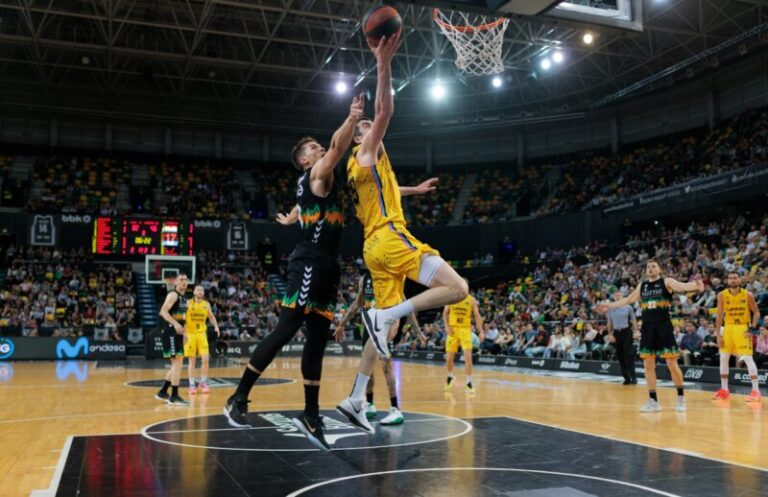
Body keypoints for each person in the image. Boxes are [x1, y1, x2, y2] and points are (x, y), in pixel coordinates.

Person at [336, 31, 469, 433]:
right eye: (362, 127)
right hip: (393, 237)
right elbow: (385, 112)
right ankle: (388, 314)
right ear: (360, 138)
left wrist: (414, 189)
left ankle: (356, 397)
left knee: (383, 332)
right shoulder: (366, 149)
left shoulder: (358, 170)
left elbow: (387, 189)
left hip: (372, 247)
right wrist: (383, 63)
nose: (367, 127)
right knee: (459, 287)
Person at [222, 94, 364, 451]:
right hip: (311, 262)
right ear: (305, 159)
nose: (320, 149)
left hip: (328, 265)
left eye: (318, 147)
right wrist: (351, 118)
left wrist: (294, 215)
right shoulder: (317, 172)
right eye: (313, 148)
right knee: (286, 329)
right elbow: (336, 146)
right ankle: (238, 397)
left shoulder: (310, 185)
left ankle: (311, 413)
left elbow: (306, 204)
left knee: (317, 338)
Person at [596, 260, 704, 413]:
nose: (650, 268)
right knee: (648, 365)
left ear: (659, 269)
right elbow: (628, 300)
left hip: (664, 326)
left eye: (654, 266)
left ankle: (680, 398)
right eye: (648, 267)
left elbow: (682, 286)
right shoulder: (643, 286)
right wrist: (609, 305)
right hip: (647, 327)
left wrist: (695, 286)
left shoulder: (667, 282)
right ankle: (653, 401)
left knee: (672, 364)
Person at [334, 269, 421, 425]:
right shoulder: (365, 278)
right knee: (367, 366)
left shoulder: (391, 276)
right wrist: (342, 324)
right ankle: (370, 404)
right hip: (369, 325)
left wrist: (418, 330)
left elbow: (407, 305)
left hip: (387, 324)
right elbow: (357, 304)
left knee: (385, 364)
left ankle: (395, 409)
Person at [711, 271, 762, 402]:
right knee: (723, 358)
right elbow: (719, 315)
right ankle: (724, 390)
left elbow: (756, 313)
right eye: (730, 278)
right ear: (728, 280)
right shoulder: (722, 295)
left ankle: (756, 391)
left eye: (735, 278)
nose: (733, 280)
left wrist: (752, 328)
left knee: (748, 358)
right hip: (728, 328)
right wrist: (718, 334)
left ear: (740, 280)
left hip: (742, 328)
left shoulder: (747, 295)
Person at [443, 284, 484, 394]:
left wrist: (481, 331)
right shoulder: (451, 298)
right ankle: (451, 376)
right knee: (449, 359)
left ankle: (469, 383)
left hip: (465, 330)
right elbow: (445, 313)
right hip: (452, 331)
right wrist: (446, 326)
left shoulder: (471, 300)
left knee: (468, 358)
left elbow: (477, 315)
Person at [155, 273, 190, 406]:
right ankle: (174, 396)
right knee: (178, 363)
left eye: (186, 280)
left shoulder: (185, 297)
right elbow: (163, 311)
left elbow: (183, 318)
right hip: (170, 331)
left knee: (176, 364)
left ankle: (163, 392)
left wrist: (185, 333)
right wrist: (175, 324)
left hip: (178, 333)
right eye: (181, 280)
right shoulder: (173, 295)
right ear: (175, 282)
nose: (184, 282)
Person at [184, 285, 220, 395]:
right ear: (194, 292)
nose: (200, 292)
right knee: (192, 360)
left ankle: (203, 382)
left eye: (202, 290)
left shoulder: (206, 304)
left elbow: (211, 317)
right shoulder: (188, 303)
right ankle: (191, 385)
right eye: (198, 290)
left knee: (205, 359)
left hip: (201, 334)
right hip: (190, 334)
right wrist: (183, 332)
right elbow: (183, 317)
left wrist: (216, 326)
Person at [606, 290, 638, 384]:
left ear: (622, 296)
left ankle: (633, 376)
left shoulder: (628, 307)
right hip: (616, 333)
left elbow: (633, 320)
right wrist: (610, 334)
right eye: (616, 295)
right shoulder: (611, 308)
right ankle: (626, 378)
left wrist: (636, 331)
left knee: (629, 354)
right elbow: (609, 323)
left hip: (627, 332)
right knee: (620, 356)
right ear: (614, 297)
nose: (617, 297)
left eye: (619, 295)